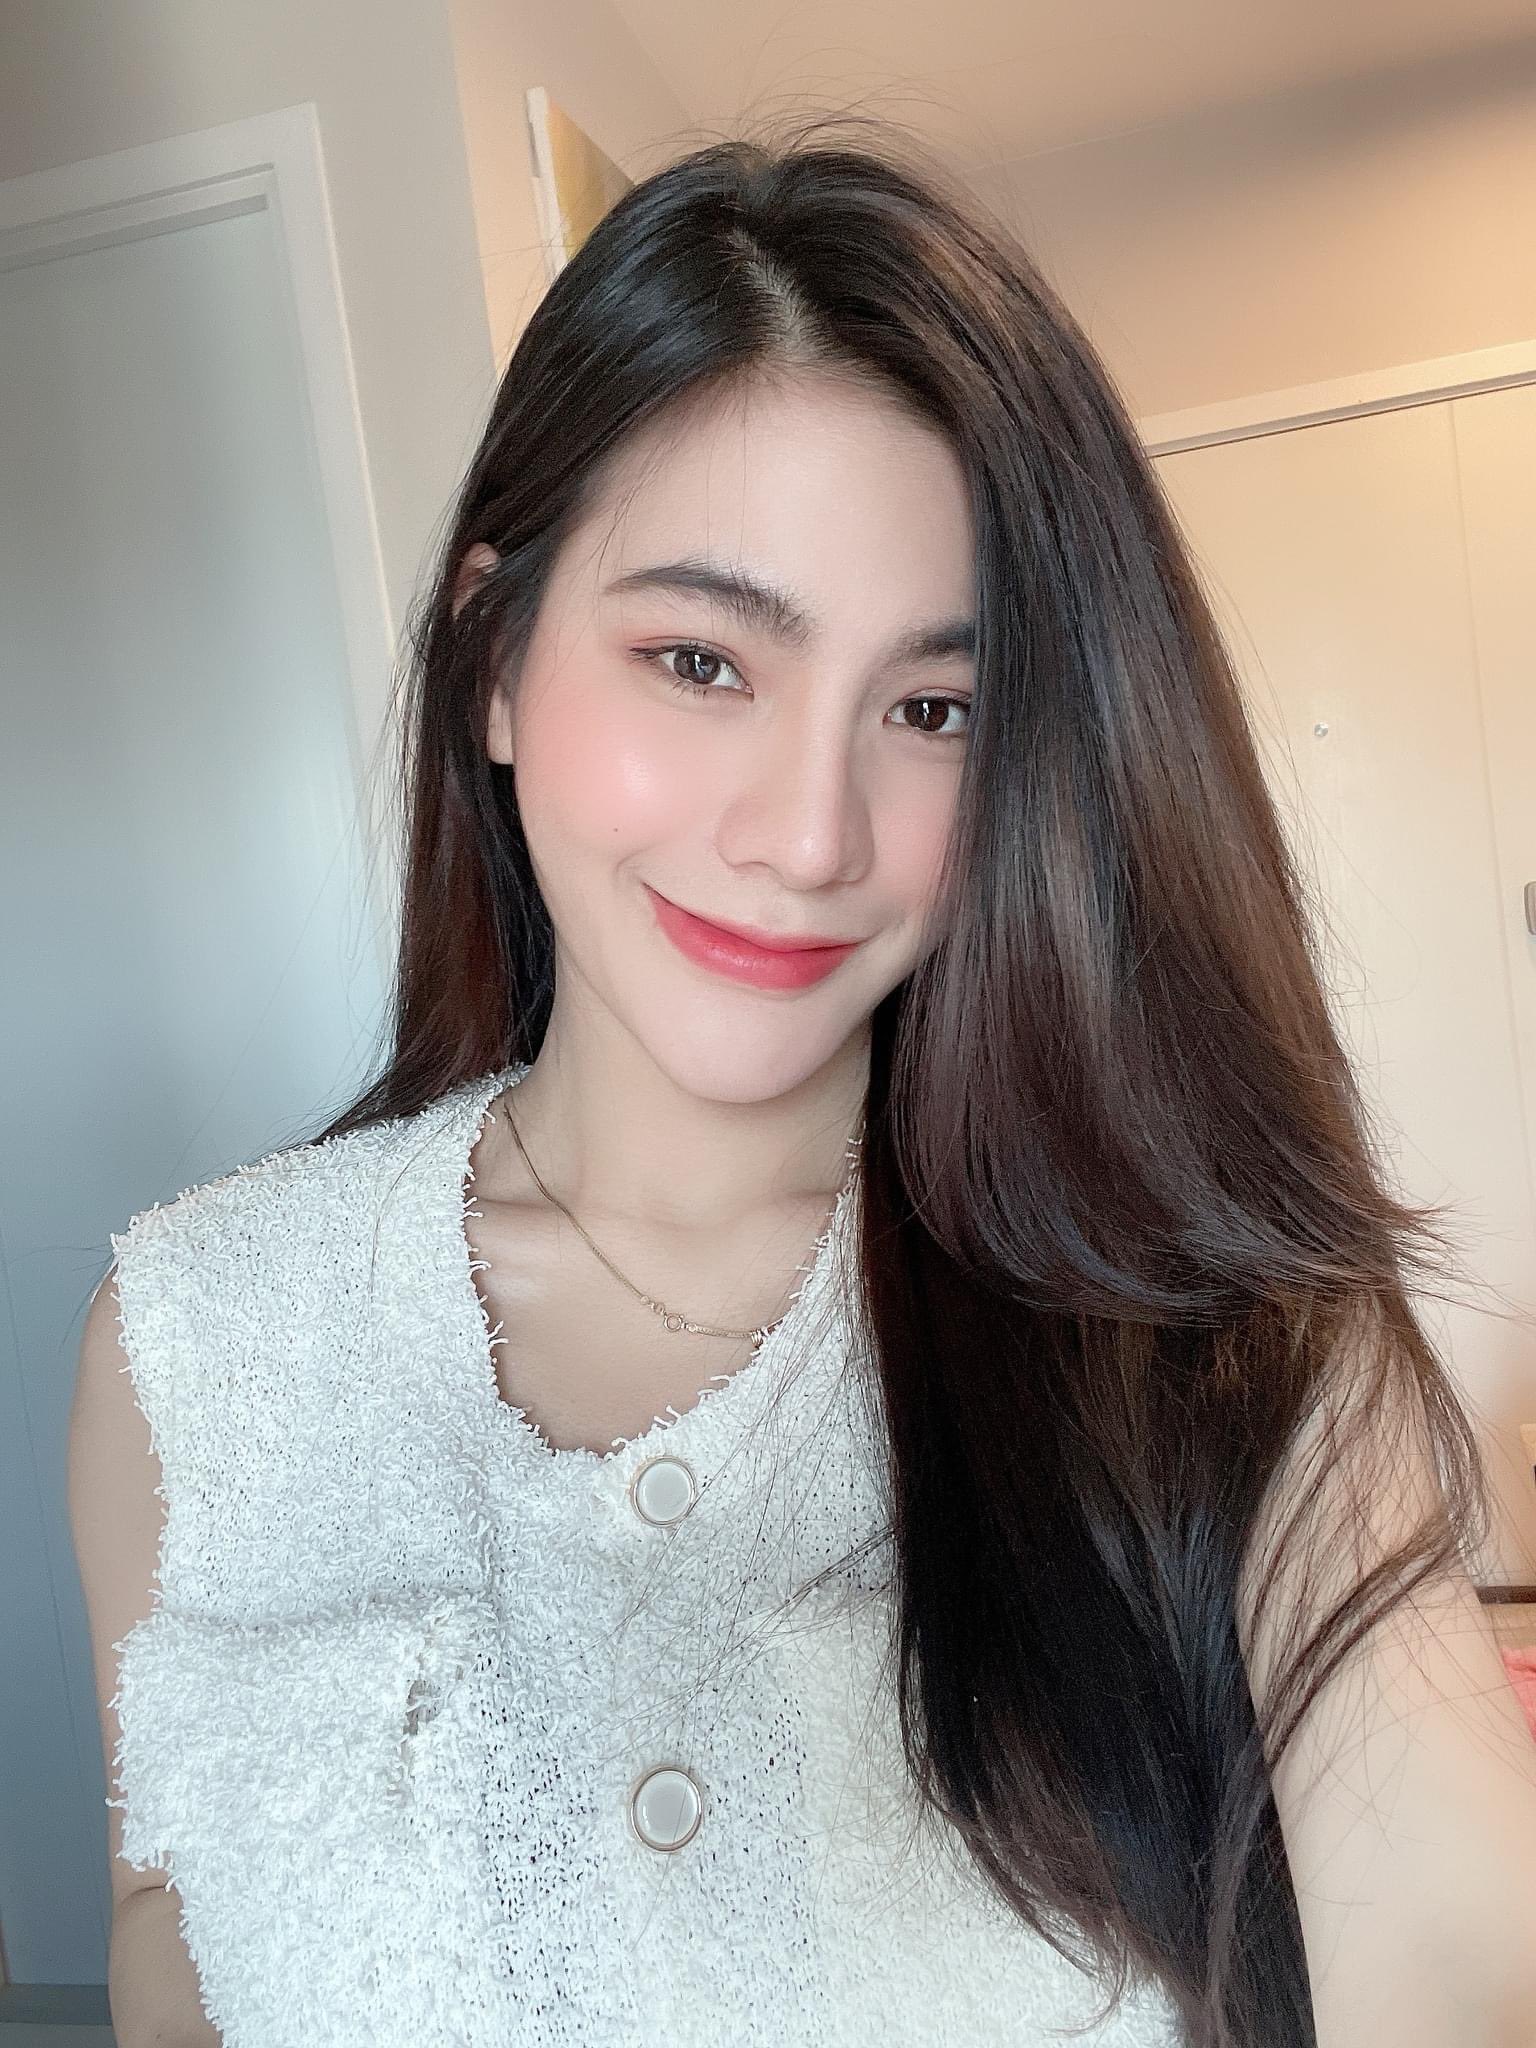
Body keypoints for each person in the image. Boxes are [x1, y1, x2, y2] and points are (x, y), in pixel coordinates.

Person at [68, 112, 1536, 2048]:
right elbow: (175, 1923)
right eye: (701, 661)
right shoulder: (200, 1339)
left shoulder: (1230, 1340)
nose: (812, 833)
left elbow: (1461, 1958)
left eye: (934, 708)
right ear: (496, 658)